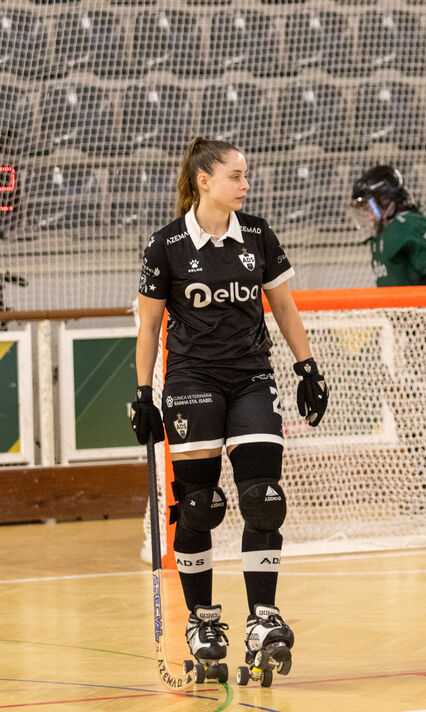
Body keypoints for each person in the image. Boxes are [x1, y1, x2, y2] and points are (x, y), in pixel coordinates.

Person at [130, 137, 329, 680]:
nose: (246, 184)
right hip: (191, 380)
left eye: (246, 175)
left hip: (251, 378)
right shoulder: (165, 245)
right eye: (236, 176)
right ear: (204, 181)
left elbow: (283, 306)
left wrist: (307, 367)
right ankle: (202, 619)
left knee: (264, 499)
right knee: (199, 506)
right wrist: (143, 394)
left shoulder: (258, 234)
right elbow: (149, 325)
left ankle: (263, 617)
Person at [350, 164, 426, 286]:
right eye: (365, 210)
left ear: (385, 200)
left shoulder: (405, 225)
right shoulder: (381, 237)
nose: (369, 216)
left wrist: (424, 303)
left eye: (369, 208)